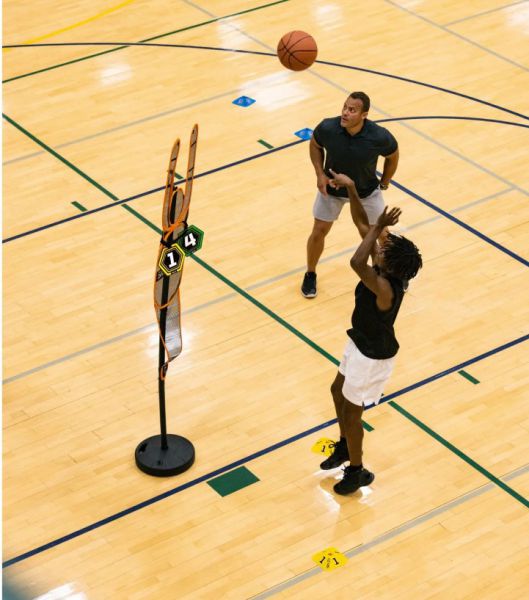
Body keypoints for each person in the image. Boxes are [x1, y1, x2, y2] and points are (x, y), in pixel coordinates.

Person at [319, 170, 422, 496]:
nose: (380, 249)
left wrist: (378, 228)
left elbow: (356, 261)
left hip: (373, 355)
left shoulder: (385, 288)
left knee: (353, 414)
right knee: (337, 392)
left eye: (384, 252)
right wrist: (351, 189)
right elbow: (362, 225)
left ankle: (358, 471)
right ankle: (346, 446)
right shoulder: (385, 267)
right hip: (360, 340)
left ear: (391, 266)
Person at [301, 91, 400, 298]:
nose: (345, 113)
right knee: (318, 231)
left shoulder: (378, 136)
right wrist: (320, 174)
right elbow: (315, 144)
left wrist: (385, 181)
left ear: (364, 115)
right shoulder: (328, 127)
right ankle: (310, 273)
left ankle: (394, 272)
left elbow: (393, 155)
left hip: (365, 192)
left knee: (382, 234)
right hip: (333, 189)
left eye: (352, 110)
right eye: (345, 107)